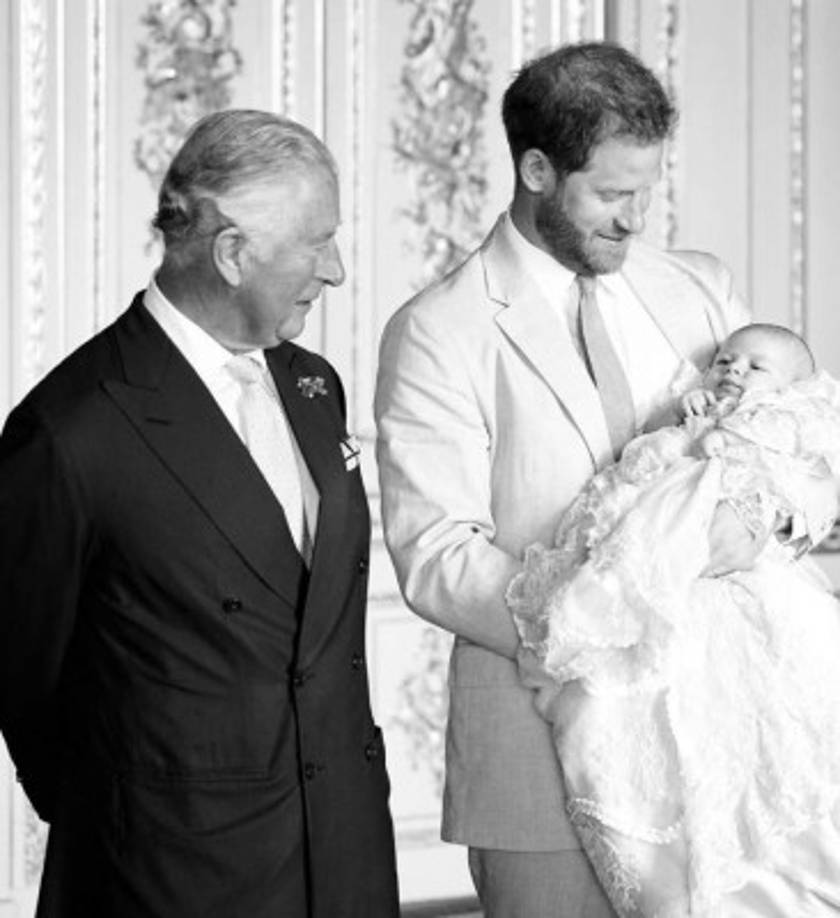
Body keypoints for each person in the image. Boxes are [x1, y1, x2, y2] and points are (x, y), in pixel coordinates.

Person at [376, 40, 785, 916]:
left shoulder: (700, 289)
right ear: (534, 169)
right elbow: (434, 553)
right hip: (534, 748)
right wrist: (596, 614)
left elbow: (793, 444)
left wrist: (761, 519)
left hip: (716, 742)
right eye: (610, 194)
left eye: (647, 191)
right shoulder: (437, 331)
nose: (635, 219)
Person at [0, 110, 399, 918]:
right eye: (316, 243)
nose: (339, 270)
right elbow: (22, 674)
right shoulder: (73, 428)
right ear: (231, 254)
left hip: (345, 853)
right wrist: (135, 805)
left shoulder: (314, 386)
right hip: (175, 871)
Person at [508, 322, 840, 916]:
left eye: (752, 367)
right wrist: (680, 422)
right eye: (724, 361)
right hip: (618, 595)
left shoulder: (768, 398)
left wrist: (769, 510)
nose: (733, 369)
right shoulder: (694, 409)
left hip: (745, 587)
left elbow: (817, 469)